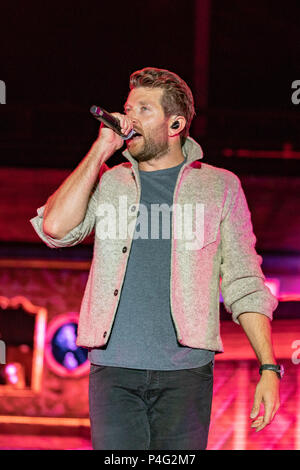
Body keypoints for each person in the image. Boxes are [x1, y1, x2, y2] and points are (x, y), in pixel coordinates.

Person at [30, 67, 281, 450]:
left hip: (187, 374)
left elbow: (244, 282)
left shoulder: (220, 186)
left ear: (175, 123)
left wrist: (268, 366)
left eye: (144, 110)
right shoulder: (110, 180)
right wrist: (101, 150)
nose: (129, 119)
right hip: (113, 371)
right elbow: (55, 228)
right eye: (128, 108)